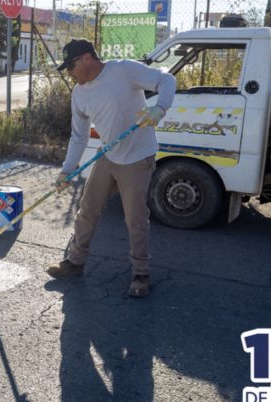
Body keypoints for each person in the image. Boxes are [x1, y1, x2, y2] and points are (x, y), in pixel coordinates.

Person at [46, 39, 175, 298]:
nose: (70, 73)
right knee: (87, 210)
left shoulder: (123, 70)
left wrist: (160, 108)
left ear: (85, 59)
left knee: (135, 220)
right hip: (108, 155)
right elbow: (79, 137)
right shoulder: (79, 94)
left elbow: (166, 80)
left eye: (71, 66)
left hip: (138, 157)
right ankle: (75, 261)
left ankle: (141, 274)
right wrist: (66, 171)